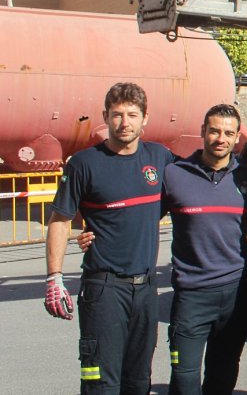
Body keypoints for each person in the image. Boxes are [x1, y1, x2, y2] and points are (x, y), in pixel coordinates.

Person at [77, 103, 247, 395]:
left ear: (237, 137)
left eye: (228, 133)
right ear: (203, 131)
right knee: (184, 380)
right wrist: (95, 230)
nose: (220, 139)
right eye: (214, 131)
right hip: (191, 294)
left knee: (223, 375)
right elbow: (138, 211)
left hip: (236, 291)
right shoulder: (175, 173)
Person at [44, 82, 176, 394]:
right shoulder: (84, 164)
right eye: (117, 115)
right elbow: (60, 220)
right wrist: (54, 277)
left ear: (145, 118)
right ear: (105, 117)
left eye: (132, 115)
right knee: (100, 382)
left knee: (138, 381)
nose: (124, 122)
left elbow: (196, 187)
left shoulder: (160, 158)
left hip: (146, 288)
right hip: (104, 289)